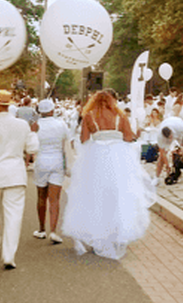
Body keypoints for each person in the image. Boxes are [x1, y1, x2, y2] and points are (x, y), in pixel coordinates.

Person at [62, 90, 156, 260]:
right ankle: (116, 233)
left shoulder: (89, 115)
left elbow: (83, 139)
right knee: (119, 196)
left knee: (96, 197)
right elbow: (129, 137)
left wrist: (98, 136)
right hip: (118, 158)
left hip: (96, 157)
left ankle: (98, 233)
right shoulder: (120, 116)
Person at [0, 90, 39, 270]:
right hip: (16, 174)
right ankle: (9, 254)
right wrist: (33, 133)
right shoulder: (22, 125)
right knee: (14, 216)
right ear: (9, 105)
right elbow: (32, 148)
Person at [32, 98, 69, 244]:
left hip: (41, 160)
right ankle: (53, 231)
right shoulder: (61, 124)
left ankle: (41, 229)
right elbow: (67, 140)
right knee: (55, 199)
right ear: (52, 110)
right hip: (57, 160)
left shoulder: (36, 125)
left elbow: (31, 143)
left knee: (41, 197)